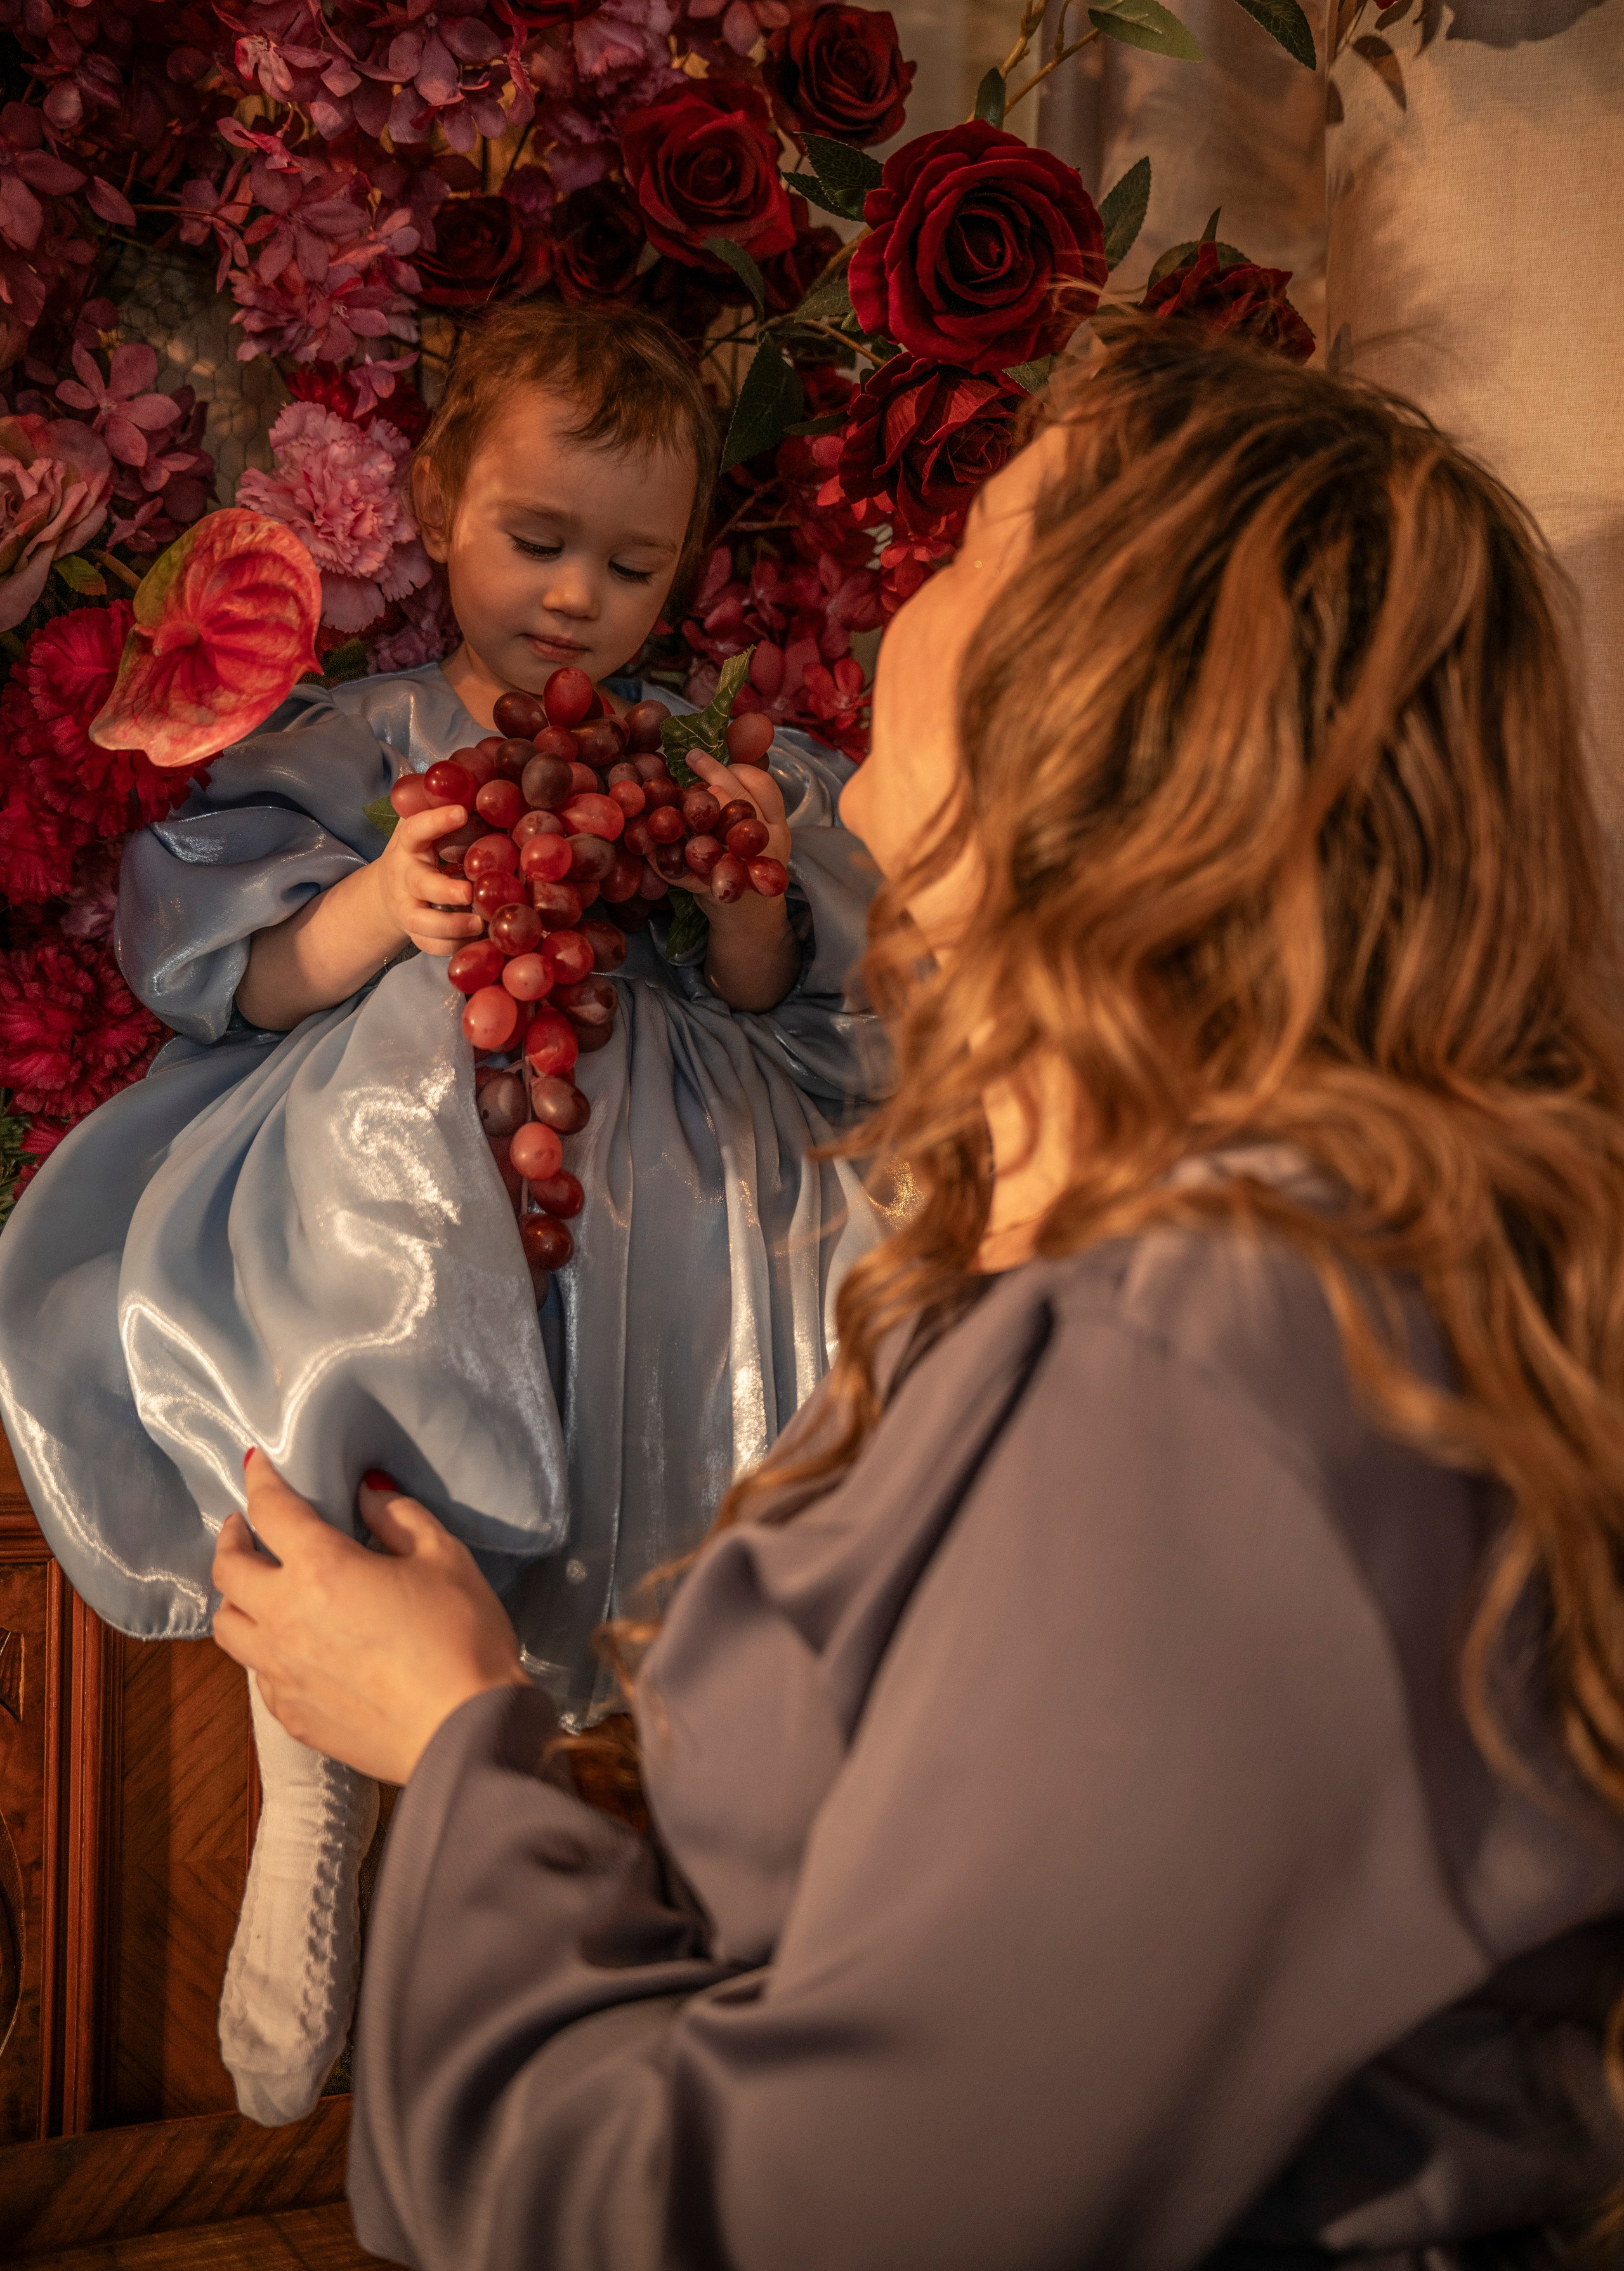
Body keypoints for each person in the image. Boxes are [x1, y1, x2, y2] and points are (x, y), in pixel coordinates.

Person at [211, 319, 1624, 2268]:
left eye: (975, 546)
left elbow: (786, 2224)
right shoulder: (1153, 1286)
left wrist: (453, 1743)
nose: (909, 588)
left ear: (1102, 704)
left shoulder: (1211, 1388)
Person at [0, 300, 882, 2125]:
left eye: (631, 567)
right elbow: (224, 984)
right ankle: (306, 1784)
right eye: (537, 541)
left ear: (685, 576)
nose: (576, 599)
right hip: (384, 1157)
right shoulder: (361, 743)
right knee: (385, 1129)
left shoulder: (698, 750)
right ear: (432, 504)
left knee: (818, 1283)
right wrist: (382, 917)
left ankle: (709, 1835)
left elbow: (778, 1001)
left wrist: (738, 880)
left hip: (641, 1193)